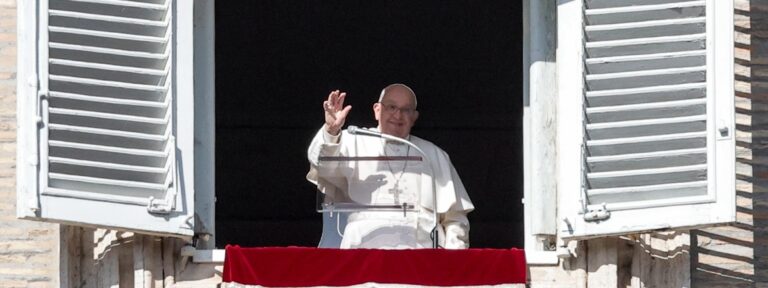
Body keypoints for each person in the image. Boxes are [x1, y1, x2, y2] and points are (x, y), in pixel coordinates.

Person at [306, 84, 474, 249]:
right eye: (391, 107)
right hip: (363, 255)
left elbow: (455, 219)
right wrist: (331, 131)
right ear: (377, 110)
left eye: (406, 110)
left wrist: (453, 261)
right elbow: (321, 165)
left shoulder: (433, 154)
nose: (398, 115)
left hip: (421, 257)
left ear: (414, 117)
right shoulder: (352, 140)